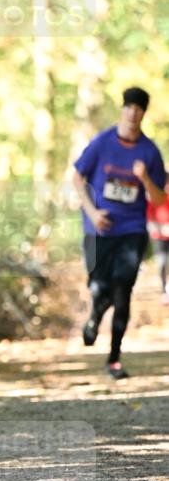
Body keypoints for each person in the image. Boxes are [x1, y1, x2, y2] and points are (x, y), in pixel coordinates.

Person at [73, 86, 166, 379]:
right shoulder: (102, 143)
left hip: (132, 228)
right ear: (122, 110)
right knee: (99, 286)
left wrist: (144, 178)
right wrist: (92, 212)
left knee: (122, 288)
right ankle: (94, 317)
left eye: (138, 109)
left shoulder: (149, 152)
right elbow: (77, 178)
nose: (132, 113)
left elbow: (160, 198)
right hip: (99, 225)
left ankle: (114, 359)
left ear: (143, 114)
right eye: (128, 107)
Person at [147, 179, 169, 304]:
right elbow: (150, 220)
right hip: (159, 238)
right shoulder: (155, 198)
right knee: (162, 263)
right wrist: (161, 230)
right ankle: (163, 290)